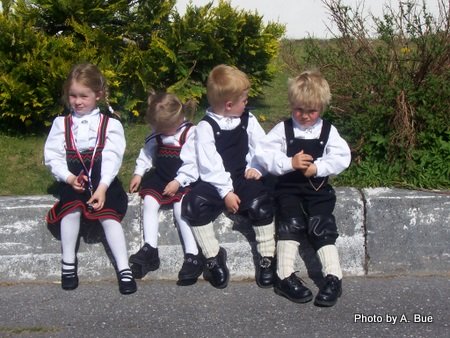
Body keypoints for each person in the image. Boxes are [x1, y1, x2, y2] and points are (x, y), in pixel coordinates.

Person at [254, 69, 351, 307]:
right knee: (291, 223)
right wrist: (289, 163)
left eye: (311, 111)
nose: (305, 116)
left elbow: (341, 157)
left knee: (321, 226)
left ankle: (333, 277)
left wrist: (317, 168)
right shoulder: (283, 129)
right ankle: (284, 275)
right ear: (291, 104)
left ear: (322, 108)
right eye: (299, 110)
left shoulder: (327, 131)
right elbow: (264, 154)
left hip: (316, 188)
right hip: (288, 187)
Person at [44, 63, 136, 295]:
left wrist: (103, 186)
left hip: (103, 181)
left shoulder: (110, 124)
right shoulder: (61, 124)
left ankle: (124, 269)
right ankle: (68, 264)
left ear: (99, 95)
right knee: (71, 211)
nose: (77, 101)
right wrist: (67, 177)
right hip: (75, 180)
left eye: (84, 96)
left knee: (109, 218)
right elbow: (52, 156)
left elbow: (112, 158)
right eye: (73, 95)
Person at [182, 64, 276, 289]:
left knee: (261, 203)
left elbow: (262, 146)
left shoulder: (247, 119)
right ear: (229, 105)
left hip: (241, 176)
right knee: (194, 204)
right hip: (216, 182)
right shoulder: (206, 127)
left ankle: (267, 257)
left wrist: (257, 167)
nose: (247, 103)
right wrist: (226, 192)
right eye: (244, 100)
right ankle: (213, 256)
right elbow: (209, 164)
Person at [128, 91, 204, 285]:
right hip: (161, 177)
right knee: (150, 202)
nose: (162, 132)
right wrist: (139, 173)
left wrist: (179, 181)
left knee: (181, 210)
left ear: (178, 119)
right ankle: (150, 248)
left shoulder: (189, 133)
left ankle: (192, 254)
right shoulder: (158, 133)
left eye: (165, 128)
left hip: (184, 180)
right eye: (158, 128)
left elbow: (193, 163)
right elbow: (147, 153)